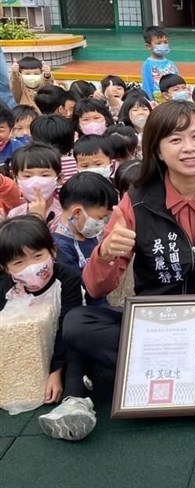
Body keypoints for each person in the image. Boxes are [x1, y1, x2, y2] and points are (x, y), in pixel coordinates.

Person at [62, 101, 195, 409]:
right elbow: (96, 289)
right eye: (175, 139)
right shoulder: (134, 203)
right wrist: (104, 254)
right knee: (78, 323)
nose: (189, 148)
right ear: (158, 150)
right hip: (154, 324)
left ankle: (156, 369)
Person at [0, 216, 90, 440]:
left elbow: (67, 328)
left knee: (79, 350)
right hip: (27, 357)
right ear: (5, 267)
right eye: (19, 263)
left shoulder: (67, 279)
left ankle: (74, 403)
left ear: (53, 251)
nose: (32, 267)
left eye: (38, 256)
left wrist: (55, 372)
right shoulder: (7, 289)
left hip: (65, 345)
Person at [53, 172, 117, 285]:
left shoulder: (88, 235)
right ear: (77, 212)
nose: (102, 223)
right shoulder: (60, 247)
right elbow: (77, 287)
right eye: (101, 217)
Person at [8, 143, 62, 231]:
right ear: (15, 179)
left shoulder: (64, 214)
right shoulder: (14, 215)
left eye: (45, 175)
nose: (36, 182)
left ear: (59, 178)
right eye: (27, 176)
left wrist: (39, 219)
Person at [140, 26, 179, 100]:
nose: (163, 45)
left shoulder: (171, 64)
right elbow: (147, 86)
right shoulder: (148, 65)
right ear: (148, 46)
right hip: (157, 102)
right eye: (159, 43)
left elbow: (178, 82)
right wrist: (150, 102)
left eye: (165, 42)